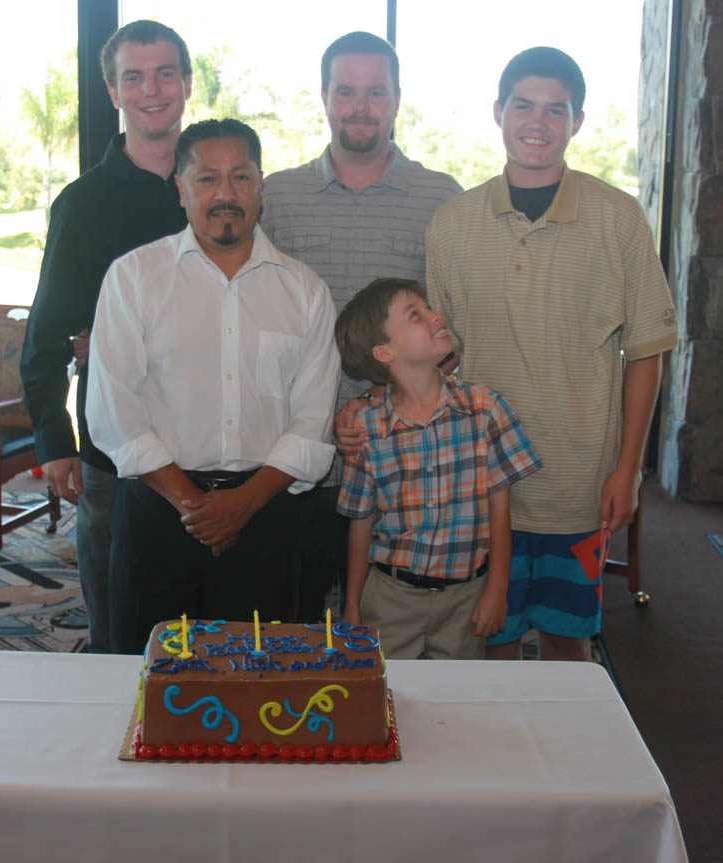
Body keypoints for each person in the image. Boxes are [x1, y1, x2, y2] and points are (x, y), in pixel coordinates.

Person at [421, 47, 679, 660]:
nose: (537, 122)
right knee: (492, 637)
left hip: (579, 481)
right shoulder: (450, 225)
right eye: (523, 106)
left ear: (578, 121)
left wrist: (628, 469)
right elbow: (441, 359)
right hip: (482, 483)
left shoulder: (619, 219)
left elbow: (645, 350)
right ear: (498, 112)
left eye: (555, 110)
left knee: (569, 638)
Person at [86, 119, 341, 654]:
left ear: (261, 186)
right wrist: (194, 504)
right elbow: (115, 411)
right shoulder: (134, 278)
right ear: (180, 188)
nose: (225, 194)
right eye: (206, 179)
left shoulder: (305, 290)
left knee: (264, 688)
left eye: (240, 177)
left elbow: (313, 422)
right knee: (150, 682)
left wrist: (243, 504)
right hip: (157, 512)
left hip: (267, 516)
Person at [261, 31, 462, 621]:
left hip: (403, 463)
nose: (360, 105)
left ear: (398, 99)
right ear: (323, 96)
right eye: (346, 90)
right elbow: (259, 327)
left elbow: (450, 330)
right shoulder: (276, 197)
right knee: (289, 622)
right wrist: (325, 412)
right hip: (296, 455)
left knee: (387, 627)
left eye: (376, 92)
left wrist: (376, 401)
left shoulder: (441, 199)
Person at [20, 21, 192, 652]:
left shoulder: (221, 192)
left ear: (187, 84)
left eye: (165, 73)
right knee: (118, 625)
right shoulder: (82, 204)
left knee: (203, 620)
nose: (152, 89)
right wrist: (54, 443)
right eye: (134, 77)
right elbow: (43, 338)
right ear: (114, 93)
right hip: (110, 451)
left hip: (212, 444)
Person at [335, 278, 540, 658]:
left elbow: (500, 510)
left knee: (455, 704)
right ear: (384, 352)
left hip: (465, 597)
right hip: (390, 598)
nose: (435, 316)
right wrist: (352, 605)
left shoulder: (486, 409)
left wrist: (497, 591)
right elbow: (361, 524)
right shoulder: (367, 429)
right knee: (387, 698)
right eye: (416, 314)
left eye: (428, 307)